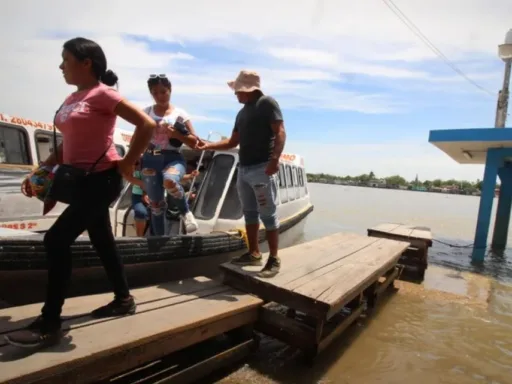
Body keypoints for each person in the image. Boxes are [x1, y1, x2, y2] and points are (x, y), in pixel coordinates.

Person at [5, 37, 156, 348]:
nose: (61, 66)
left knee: (56, 239)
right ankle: (124, 299)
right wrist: (42, 169)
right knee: (102, 239)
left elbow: (146, 125)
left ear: (86, 63)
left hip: (101, 180)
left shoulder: (104, 94)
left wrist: (127, 163)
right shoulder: (75, 97)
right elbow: (68, 142)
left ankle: (50, 321)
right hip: (80, 180)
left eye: (66, 59)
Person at [196, 70, 286, 278]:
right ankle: (254, 253)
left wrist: (274, 159)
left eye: (237, 90)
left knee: (268, 215)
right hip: (244, 170)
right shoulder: (241, 113)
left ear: (247, 89)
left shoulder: (267, 103)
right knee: (249, 213)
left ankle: (273, 258)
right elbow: (232, 142)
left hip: (262, 169)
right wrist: (207, 145)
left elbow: (280, 131)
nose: (235, 94)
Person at [141, 74, 201, 235]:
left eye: (163, 92)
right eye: (155, 93)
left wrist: (177, 135)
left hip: (172, 158)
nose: (159, 96)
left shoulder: (180, 114)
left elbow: (195, 142)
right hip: (150, 159)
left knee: (170, 180)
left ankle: (186, 213)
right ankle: (159, 240)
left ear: (170, 90)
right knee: (155, 205)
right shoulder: (145, 112)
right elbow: (137, 138)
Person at [124, 159, 150, 236]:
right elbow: (127, 176)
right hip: (137, 194)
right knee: (141, 212)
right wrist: (142, 184)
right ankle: (139, 238)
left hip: (155, 194)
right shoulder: (135, 160)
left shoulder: (156, 158)